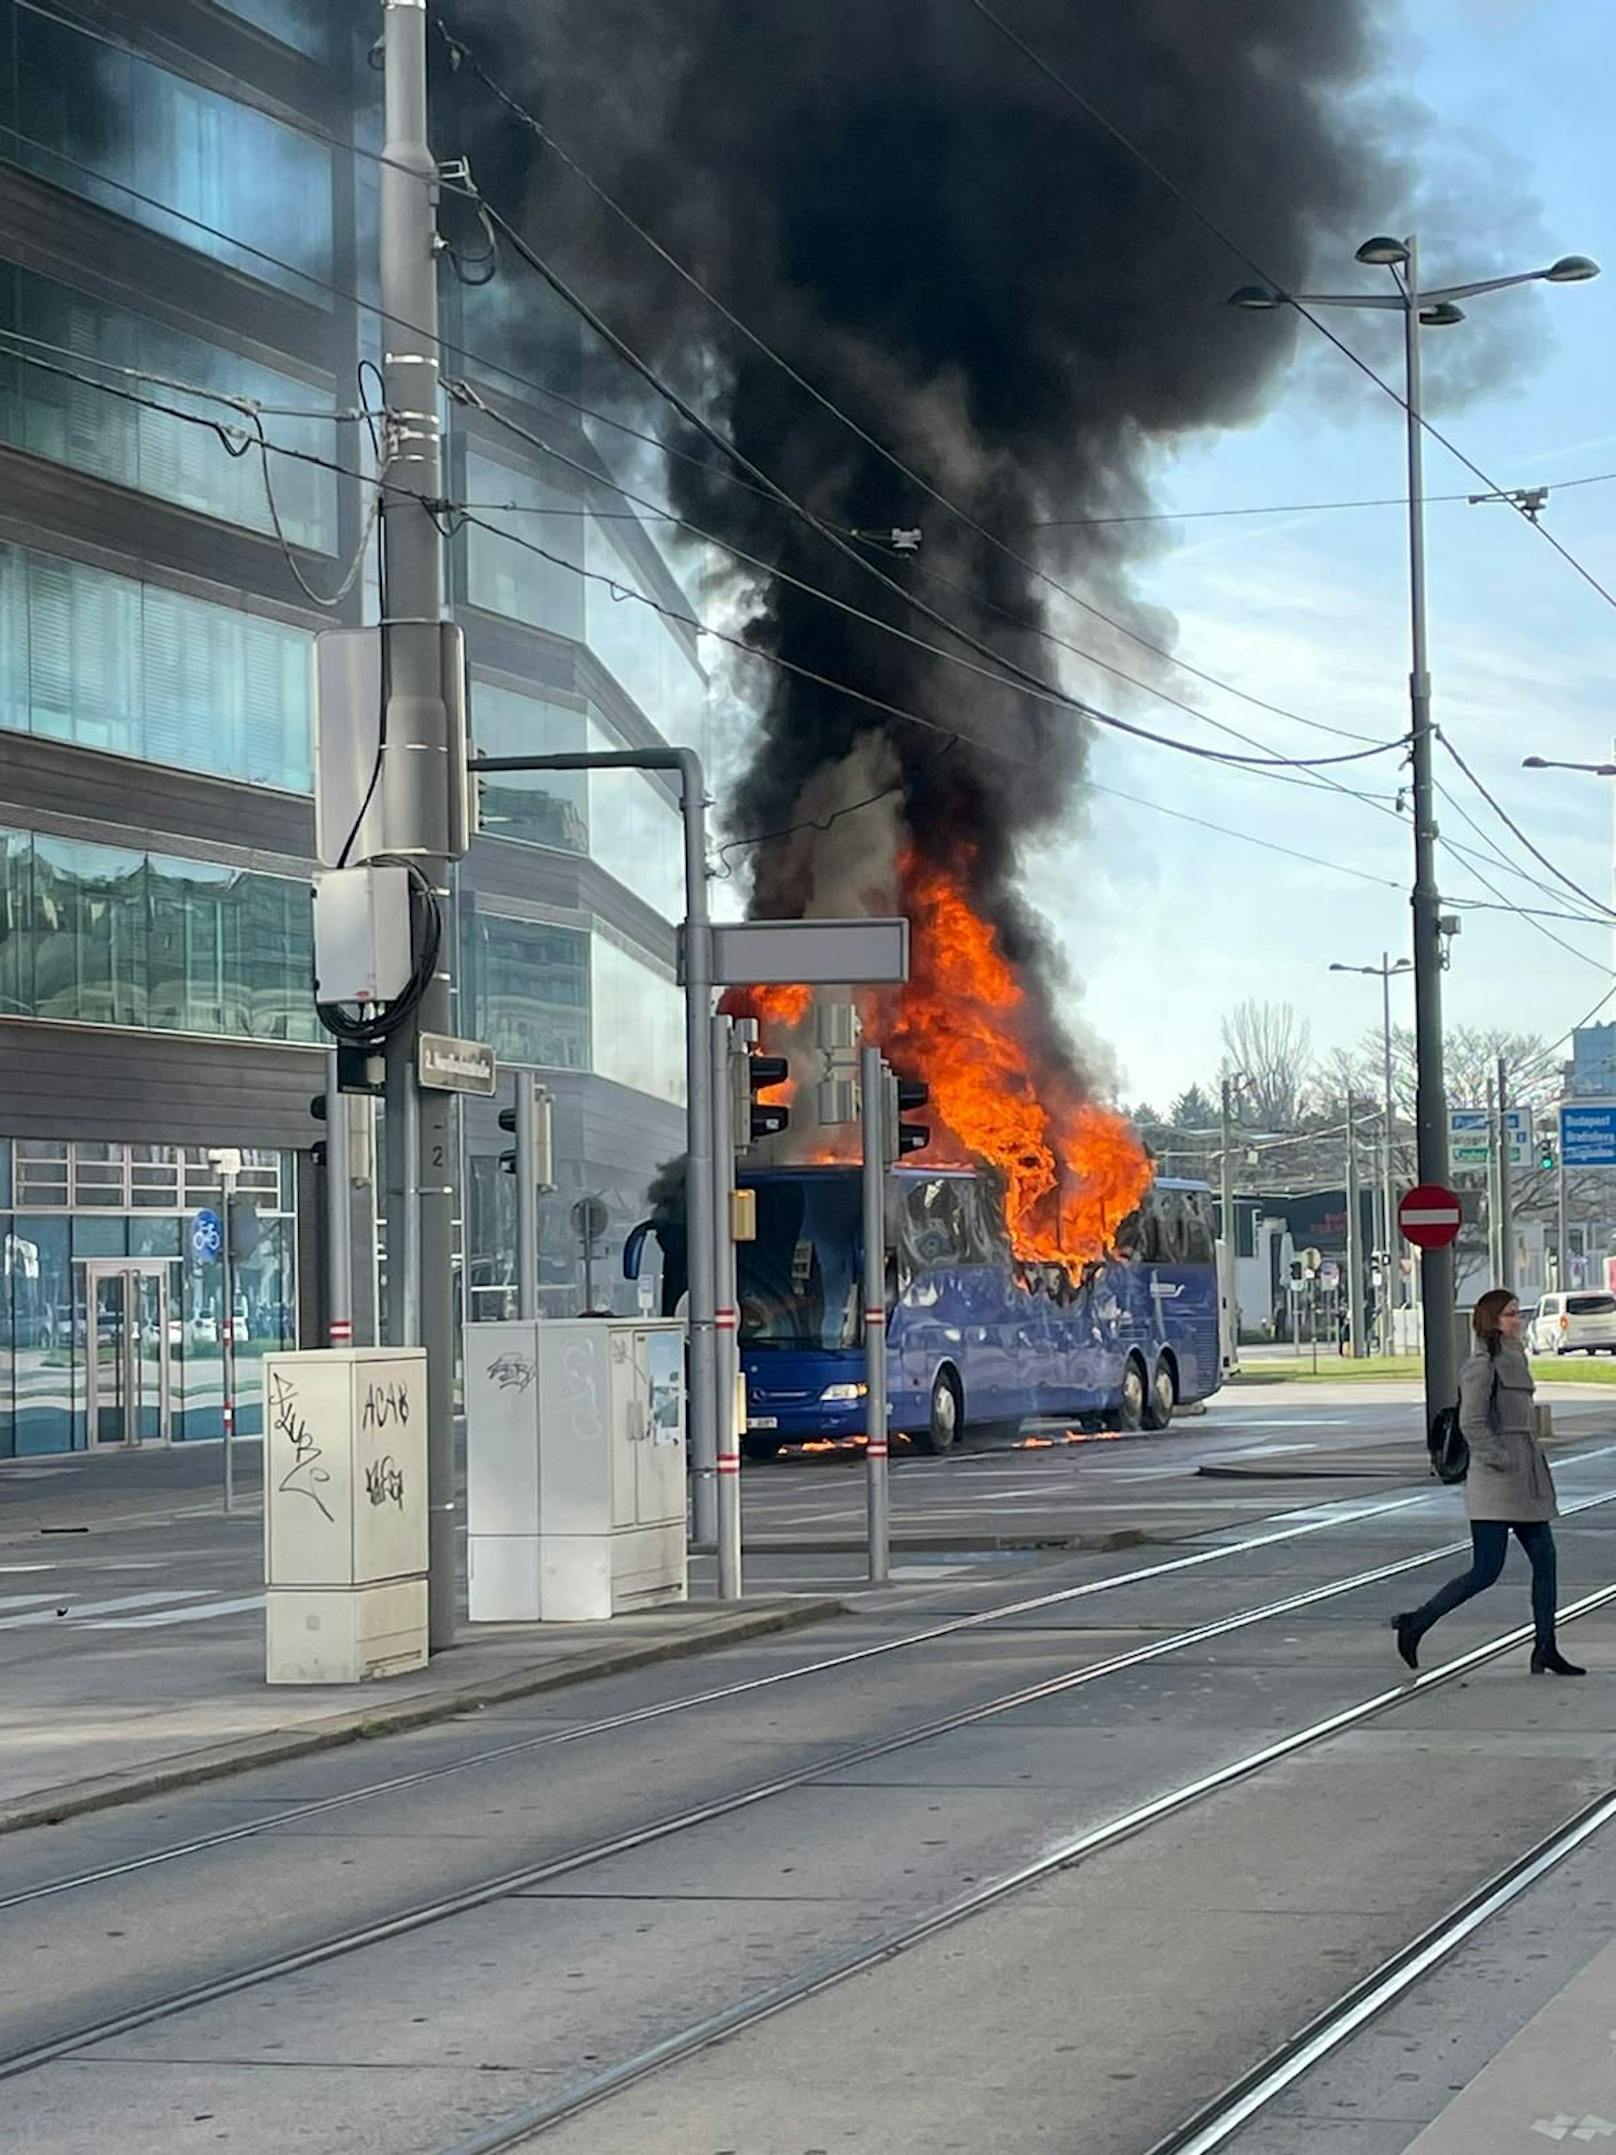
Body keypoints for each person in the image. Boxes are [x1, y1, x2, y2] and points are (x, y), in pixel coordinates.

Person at [1392, 1287, 1583, 1677]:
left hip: (1525, 1478)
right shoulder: (1482, 1365)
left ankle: (1546, 1647)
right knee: (1485, 1571)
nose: (1518, 1320)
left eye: (1518, 1313)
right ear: (1492, 1320)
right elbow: (1472, 1423)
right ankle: (1416, 1623)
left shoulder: (1516, 1358)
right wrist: (1499, 1458)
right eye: (1511, 1314)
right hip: (1496, 1481)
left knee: (1546, 1560)